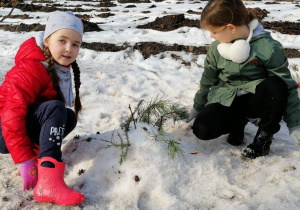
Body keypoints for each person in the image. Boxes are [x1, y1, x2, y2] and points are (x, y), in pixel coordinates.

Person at [187, 0, 300, 159]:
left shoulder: (267, 47)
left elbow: (288, 86)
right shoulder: (216, 49)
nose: (212, 36)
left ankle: (263, 139)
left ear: (231, 28)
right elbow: (207, 80)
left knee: (276, 85)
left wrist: (295, 124)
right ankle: (237, 123)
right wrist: (198, 107)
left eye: (214, 32)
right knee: (202, 129)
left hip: (257, 99)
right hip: (228, 98)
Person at [0, 11, 85, 205]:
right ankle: (49, 184)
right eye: (62, 41)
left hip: (15, 127)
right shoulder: (31, 68)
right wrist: (24, 160)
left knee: (67, 117)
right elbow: (11, 115)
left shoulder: (59, 69)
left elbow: (47, 120)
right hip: (3, 129)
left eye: (75, 44)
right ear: (46, 41)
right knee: (55, 109)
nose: (68, 49)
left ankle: (44, 165)